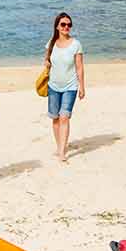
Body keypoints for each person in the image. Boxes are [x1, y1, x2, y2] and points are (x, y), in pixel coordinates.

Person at [44, 12, 85, 162]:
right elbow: (47, 61)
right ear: (57, 26)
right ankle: (60, 145)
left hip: (70, 86)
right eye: (63, 24)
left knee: (64, 117)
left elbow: (79, 67)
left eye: (69, 24)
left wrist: (82, 87)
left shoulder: (76, 44)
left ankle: (62, 151)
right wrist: (47, 64)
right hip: (53, 86)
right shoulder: (51, 43)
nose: (66, 27)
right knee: (55, 118)